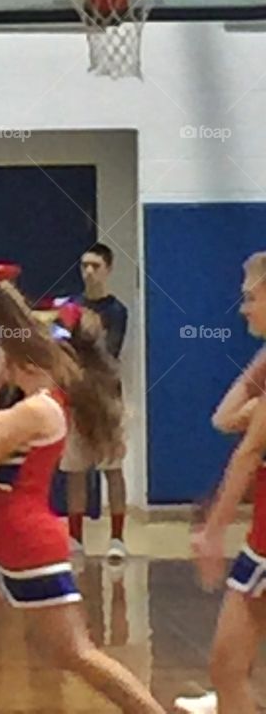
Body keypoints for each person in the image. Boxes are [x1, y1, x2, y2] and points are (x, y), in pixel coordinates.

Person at [0, 278, 162, 714]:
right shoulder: (33, 406)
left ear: (32, 359)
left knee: (74, 653)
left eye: (12, 357)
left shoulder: (37, 410)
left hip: (28, 545)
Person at [177, 253, 266, 714]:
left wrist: (213, 530)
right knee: (227, 668)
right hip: (261, 540)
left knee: (228, 667)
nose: (243, 309)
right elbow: (224, 418)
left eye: (250, 298)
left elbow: (248, 453)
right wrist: (258, 367)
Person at [66, 242, 130, 561]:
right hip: (77, 399)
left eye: (95, 266)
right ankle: (74, 538)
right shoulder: (71, 307)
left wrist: (88, 338)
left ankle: (117, 538)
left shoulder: (116, 311)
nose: (89, 272)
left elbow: (109, 355)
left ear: (108, 269)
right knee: (75, 470)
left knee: (112, 468)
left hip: (107, 400)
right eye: (84, 265)